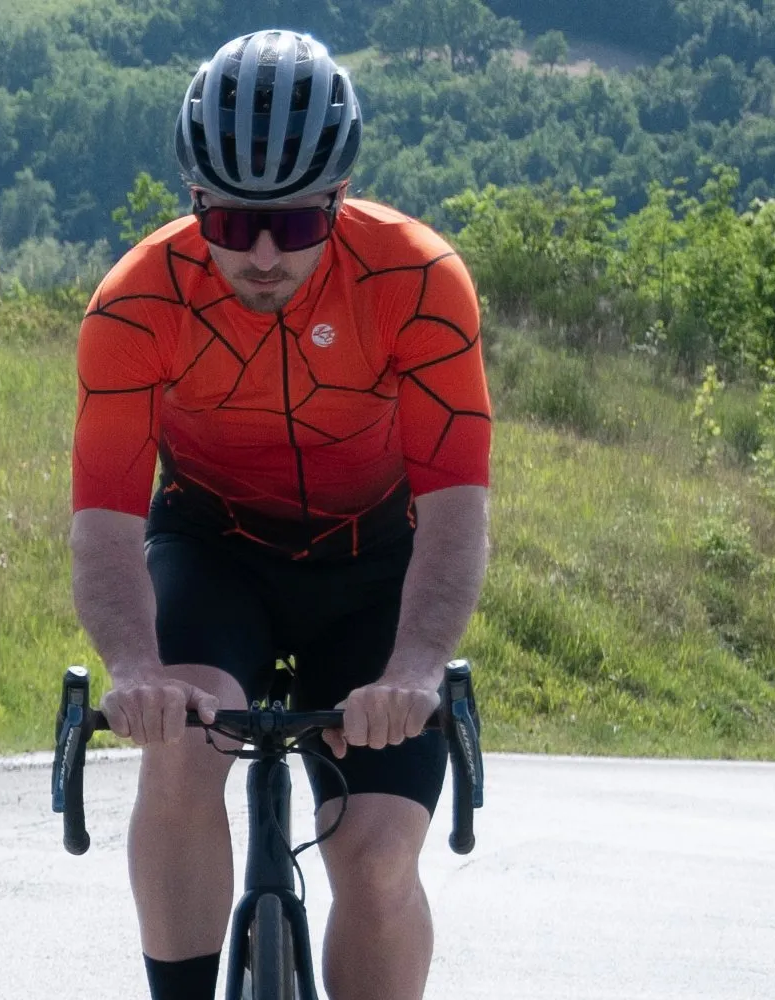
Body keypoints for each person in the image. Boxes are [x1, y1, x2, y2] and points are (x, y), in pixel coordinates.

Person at [69, 28, 491, 1000]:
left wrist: (415, 670)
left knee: (376, 859)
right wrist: (134, 669)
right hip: (216, 549)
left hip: (375, 561)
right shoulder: (134, 303)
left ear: (339, 199)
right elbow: (105, 525)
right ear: (194, 200)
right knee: (181, 751)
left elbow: (455, 508)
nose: (262, 255)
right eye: (231, 222)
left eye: (295, 225)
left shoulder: (419, 280)